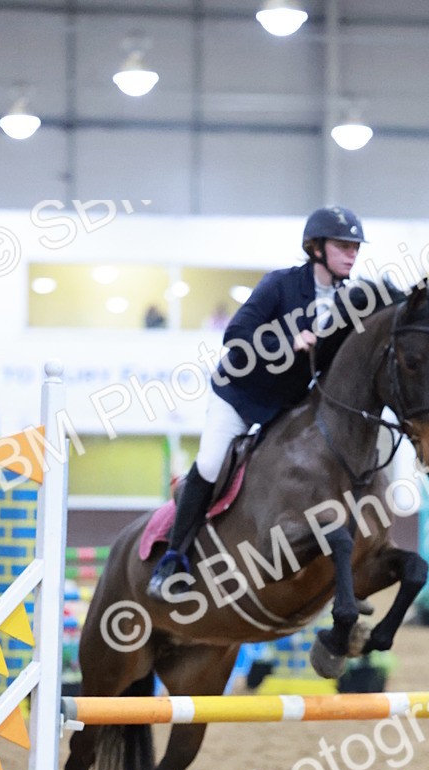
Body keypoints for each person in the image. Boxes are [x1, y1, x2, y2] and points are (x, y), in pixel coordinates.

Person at [147, 205, 366, 599]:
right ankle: (173, 559)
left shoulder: (349, 302)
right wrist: (288, 342)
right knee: (212, 462)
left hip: (288, 405)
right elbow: (236, 334)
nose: (352, 253)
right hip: (241, 395)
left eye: (355, 247)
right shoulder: (279, 285)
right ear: (316, 248)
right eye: (343, 245)